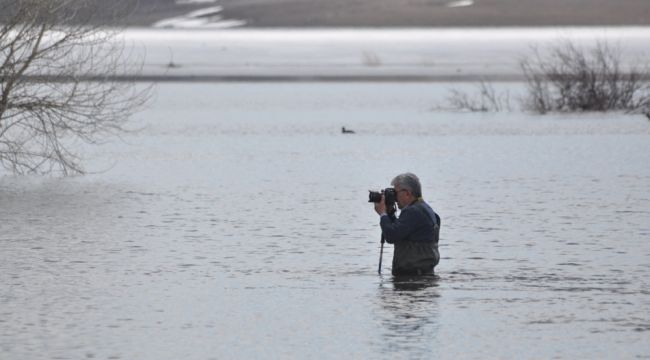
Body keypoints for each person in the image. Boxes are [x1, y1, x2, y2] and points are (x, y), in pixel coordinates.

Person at [374, 173, 440, 276]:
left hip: (412, 278)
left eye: (395, 193)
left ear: (408, 193)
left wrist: (383, 214)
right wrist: (390, 214)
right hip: (422, 274)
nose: (394, 198)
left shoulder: (413, 212)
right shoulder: (424, 208)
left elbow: (391, 236)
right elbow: (400, 232)